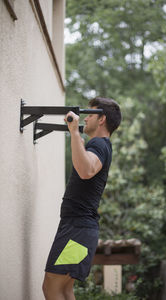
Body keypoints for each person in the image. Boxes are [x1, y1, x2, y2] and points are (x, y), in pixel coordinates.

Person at [42, 97, 122, 300]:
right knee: (64, 289)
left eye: (90, 114)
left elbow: (86, 170)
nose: (85, 119)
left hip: (78, 231)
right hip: (80, 231)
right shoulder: (99, 145)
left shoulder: (100, 145)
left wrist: (74, 131)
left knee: (51, 287)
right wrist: (76, 134)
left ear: (101, 119)